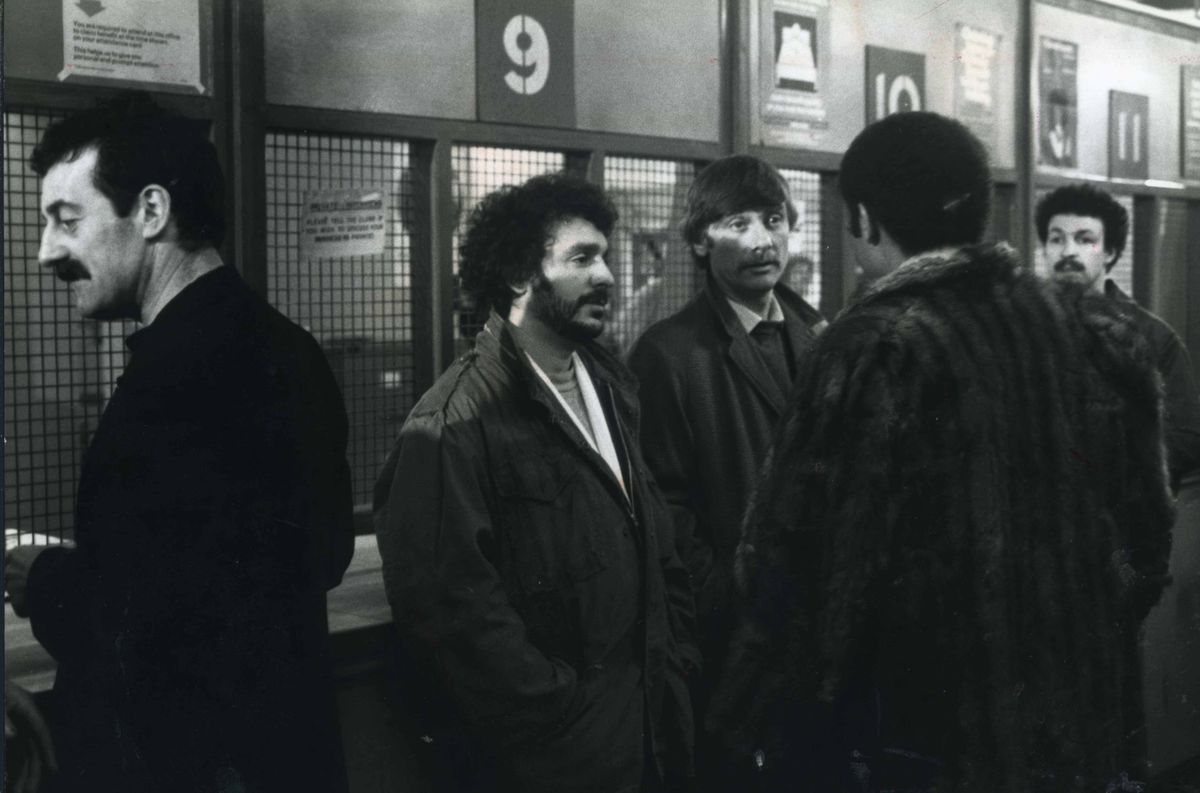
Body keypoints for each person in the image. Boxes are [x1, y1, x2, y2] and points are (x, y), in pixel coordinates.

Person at [708, 112, 1174, 792]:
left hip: (925, 743)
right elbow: (1148, 534)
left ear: (866, 220)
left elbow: (792, 561)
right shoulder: (1096, 329)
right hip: (1078, 728)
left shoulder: (875, 343)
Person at [4, 91, 355, 793]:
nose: (47, 253)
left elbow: (152, 629)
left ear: (153, 212)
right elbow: (309, 554)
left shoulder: (173, 381)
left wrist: (38, 577)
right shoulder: (287, 347)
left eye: (65, 221)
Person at [374, 173, 698, 793]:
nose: (605, 275)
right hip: (559, 760)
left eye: (604, 255)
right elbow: (452, 616)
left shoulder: (613, 388)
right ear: (522, 275)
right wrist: (560, 715)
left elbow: (658, 543)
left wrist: (678, 661)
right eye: (581, 257)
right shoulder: (456, 421)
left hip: (650, 737)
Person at [625, 154, 824, 767]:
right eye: (738, 223)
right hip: (732, 640)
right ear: (699, 241)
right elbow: (667, 512)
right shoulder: (668, 354)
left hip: (818, 629)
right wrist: (733, 603)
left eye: (773, 219)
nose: (763, 240)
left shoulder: (818, 334)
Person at [1037, 183, 1200, 489]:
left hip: (1124, 519)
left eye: (1085, 240)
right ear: (1044, 248)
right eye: (1056, 239)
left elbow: (1188, 437)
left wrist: (1113, 463)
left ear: (1110, 252)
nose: (1068, 251)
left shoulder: (1153, 337)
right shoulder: (1026, 330)